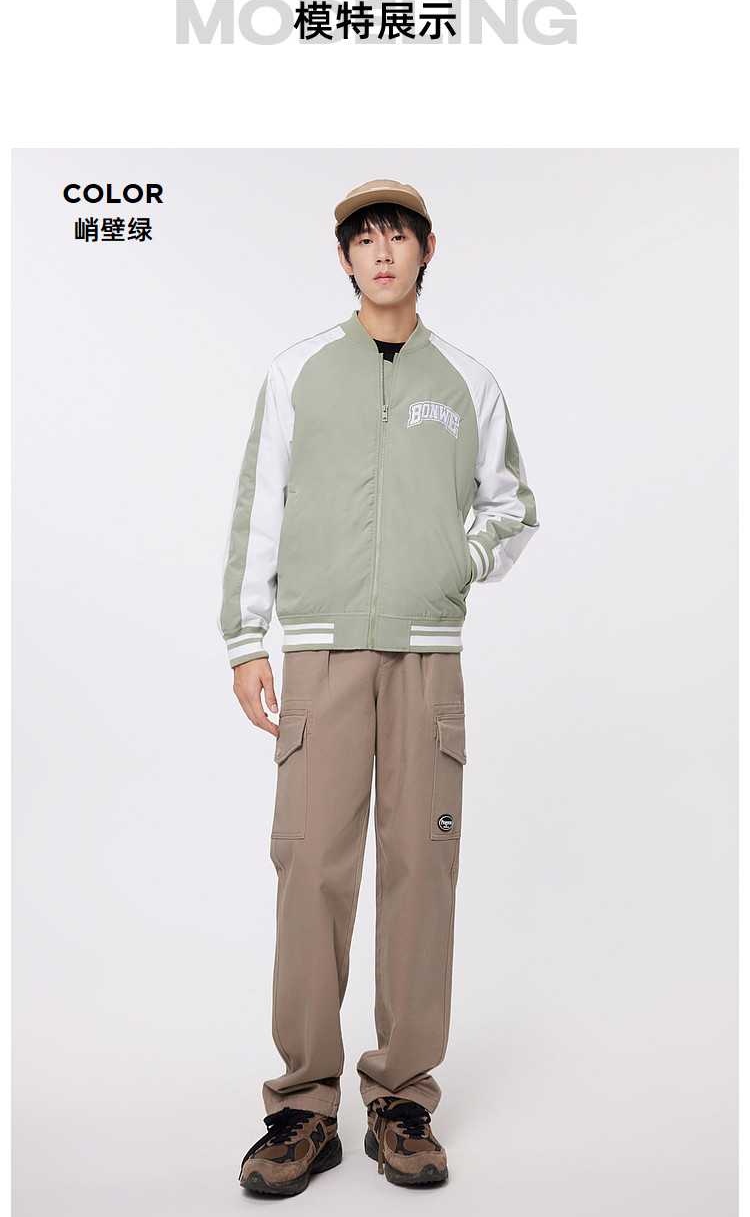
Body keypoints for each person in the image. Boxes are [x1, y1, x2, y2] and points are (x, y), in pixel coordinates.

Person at [219, 178, 539, 1196]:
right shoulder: (298, 372)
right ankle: (304, 1107)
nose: (383, 252)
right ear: (346, 259)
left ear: (427, 249)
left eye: (399, 235)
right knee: (311, 869)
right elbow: (259, 505)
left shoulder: (469, 382)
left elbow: (514, 507)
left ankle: (403, 1099)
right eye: (365, 239)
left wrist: (460, 561)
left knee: (419, 872)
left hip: (428, 660)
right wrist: (246, 639)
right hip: (318, 656)